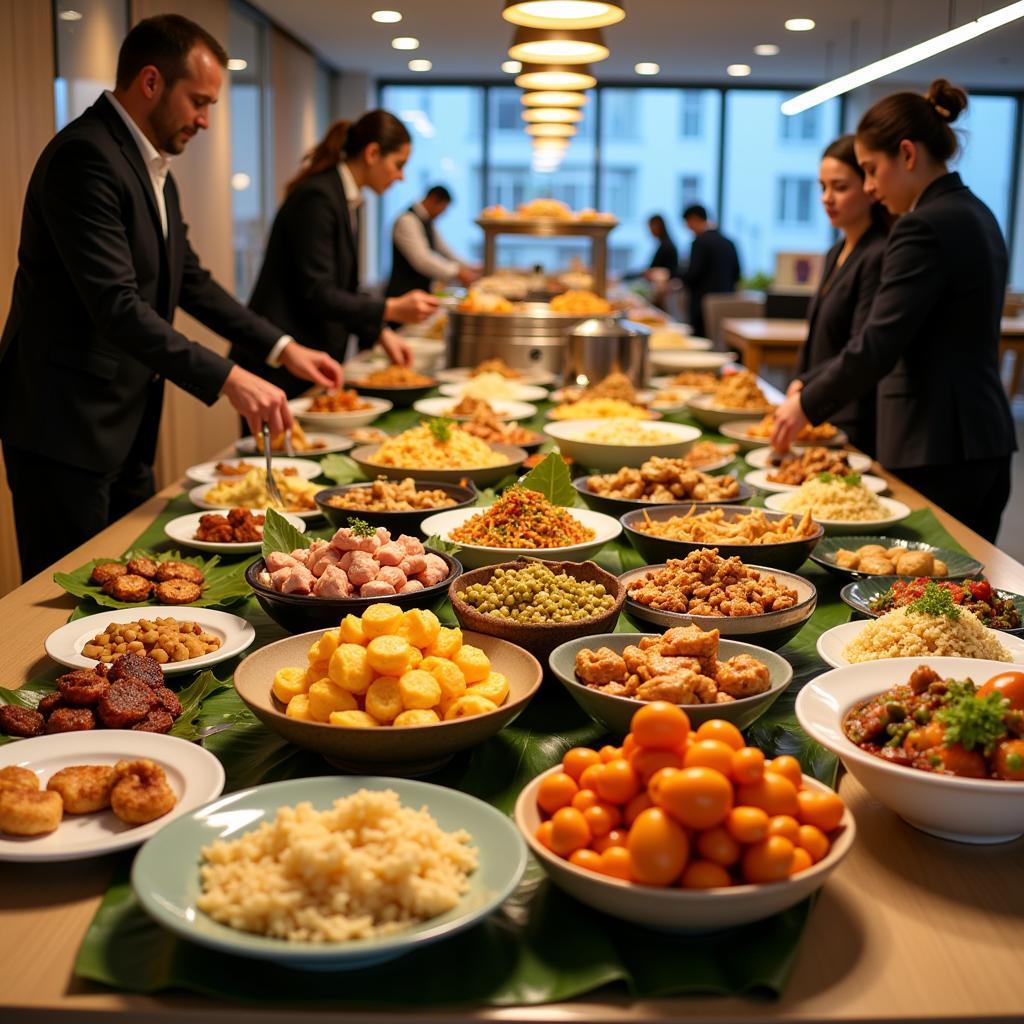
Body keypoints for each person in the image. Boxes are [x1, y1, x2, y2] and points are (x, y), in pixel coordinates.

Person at [0, 14, 342, 581]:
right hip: (64, 423)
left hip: (124, 419)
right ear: (151, 82)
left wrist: (282, 347)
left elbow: (190, 282)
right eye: (199, 102)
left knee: (128, 587)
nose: (206, 121)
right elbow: (116, 306)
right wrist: (229, 377)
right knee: (69, 597)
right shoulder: (84, 157)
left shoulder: (154, 167)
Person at [772, 79, 1015, 542]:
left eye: (869, 170)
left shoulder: (921, 225)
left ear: (906, 154)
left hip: (936, 443)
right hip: (982, 438)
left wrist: (805, 402)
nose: (869, 187)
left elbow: (878, 341)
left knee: (931, 581)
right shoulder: (977, 211)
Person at [231, 112, 438, 397]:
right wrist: (390, 309)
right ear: (372, 153)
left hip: (305, 361)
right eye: (398, 165)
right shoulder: (318, 197)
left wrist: (380, 332)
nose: (401, 176)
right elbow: (319, 293)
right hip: (279, 363)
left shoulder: (346, 198)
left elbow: (342, 289)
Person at [788, 135, 890, 457]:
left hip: (851, 415)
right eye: (822, 187)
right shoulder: (836, 251)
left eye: (840, 187)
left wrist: (808, 387)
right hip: (821, 412)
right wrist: (802, 382)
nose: (827, 198)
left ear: (869, 187)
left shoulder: (878, 253)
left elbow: (861, 343)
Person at [386, 185, 477, 298]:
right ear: (433, 199)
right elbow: (422, 260)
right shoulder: (407, 220)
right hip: (403, 294)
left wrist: (469, 266)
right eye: (443, 209)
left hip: (420, 293)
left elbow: (445, 250)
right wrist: (457, 272)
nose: (442, 214)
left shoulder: (427, 221)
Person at [678, 204, 740, 338]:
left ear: (694, 219)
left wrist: (677, 278)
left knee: (701, 343)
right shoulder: (729, 242)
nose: (688, 227)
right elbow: (737, 274)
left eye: (687, 223)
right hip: (726, 303)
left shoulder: (700, 243)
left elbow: (693, 274)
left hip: (702, 304)